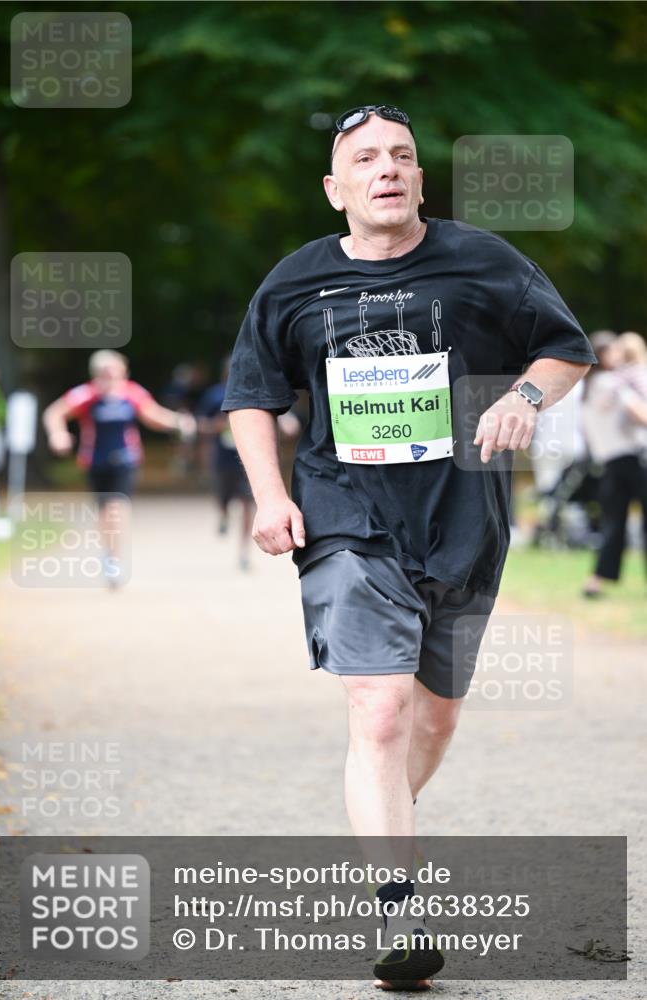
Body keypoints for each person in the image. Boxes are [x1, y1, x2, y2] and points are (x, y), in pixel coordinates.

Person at [222, 105, 596, 989]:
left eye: (401, 156)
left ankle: (379, 813)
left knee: (433, 716)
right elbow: (249, 395)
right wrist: (271, 496)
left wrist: (524, 402)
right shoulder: (293, 282)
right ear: (335, 187)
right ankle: (397, 906)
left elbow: (564, 349)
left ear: (420, 179)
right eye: (365, 158)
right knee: (379, 709)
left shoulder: (483, 261)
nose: (386, 168)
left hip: (466, 522)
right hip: (345, 515)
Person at [43, 349, 195, 586]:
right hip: (94, 460)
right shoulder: (86, 394)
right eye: (106, 373)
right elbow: (54, 413)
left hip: (126, 460)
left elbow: (152, 415)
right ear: (96, 374)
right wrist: (58, 435)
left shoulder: (132, 393)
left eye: (116, 372)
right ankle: (109, 553)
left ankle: (116, 559)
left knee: (118, 506)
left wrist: (177, 422)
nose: (112, 377)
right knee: (105, 512)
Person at [582, 330, 647, 597]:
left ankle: (596, 581)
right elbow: (641, 415)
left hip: (607, 463)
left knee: (613, 525)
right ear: (605, 355)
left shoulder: (585, 388)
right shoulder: (613, 384)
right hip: (633, 459)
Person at [197, 357, 256, 570]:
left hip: (249, 458)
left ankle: (244, 552)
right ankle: (223, 513)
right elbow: (201, 425)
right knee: (223, 497)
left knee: (248, 503)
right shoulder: (214, 395)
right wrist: (218, 425)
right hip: (223, 458)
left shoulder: (253, 391)